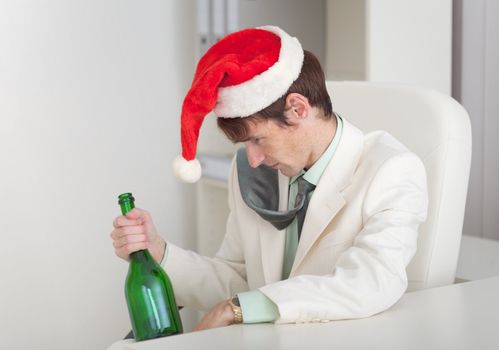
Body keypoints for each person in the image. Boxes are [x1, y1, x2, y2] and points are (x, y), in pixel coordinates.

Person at [111, 26, 428, 331]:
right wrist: (158, 252)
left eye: (258, 139)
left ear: (298, 109)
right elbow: (239, 279)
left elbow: (373, 281)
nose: (252, 158)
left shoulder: (392, 170)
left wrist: (238, 309)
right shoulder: (253, 173)